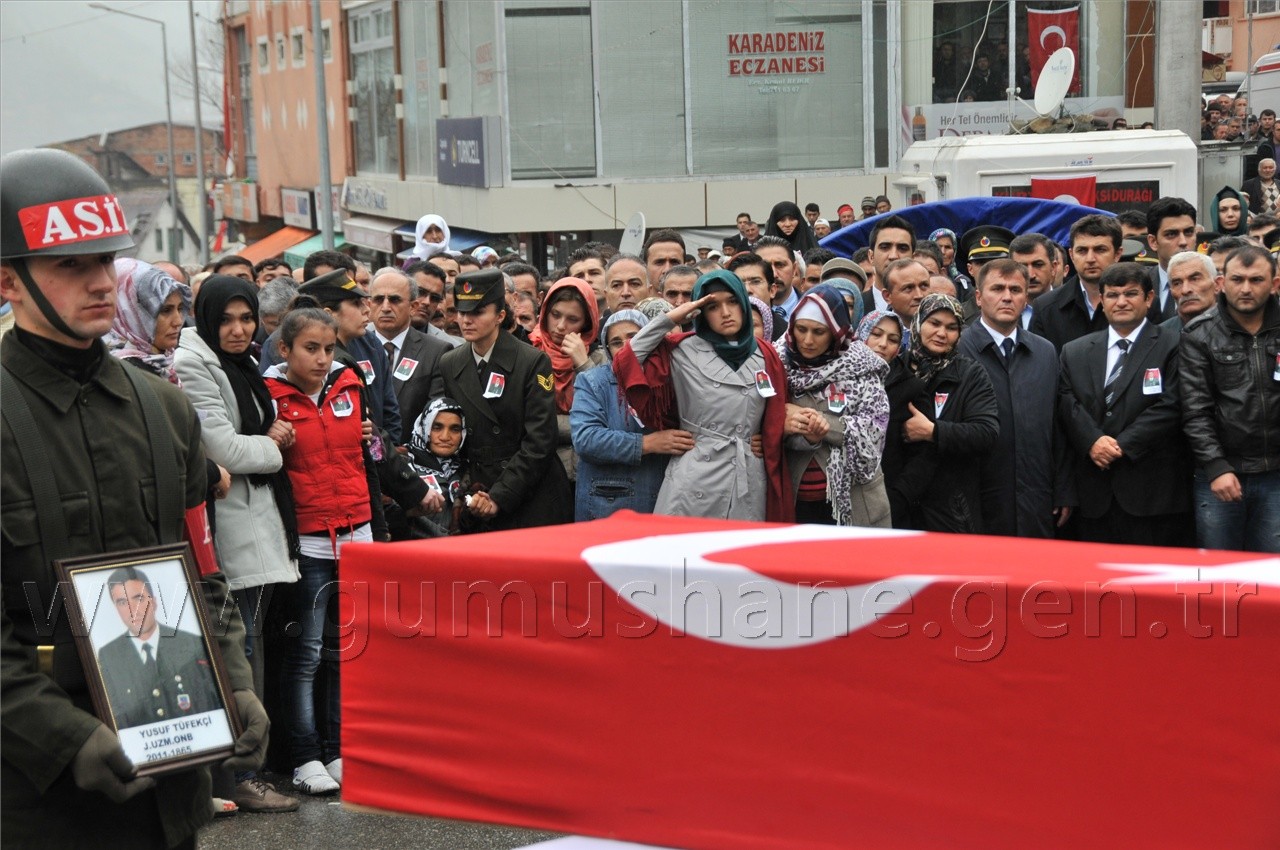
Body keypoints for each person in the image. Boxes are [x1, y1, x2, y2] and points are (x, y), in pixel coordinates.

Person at [1, 148, 264, 847]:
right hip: (36, 799)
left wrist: (232, 684)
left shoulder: (164, 410)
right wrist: (65, 740)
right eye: (69, 265)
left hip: (168, 795)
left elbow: (200, 575)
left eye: (105, 261)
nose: (99, 282)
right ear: (8, 281)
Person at [172, 274, 301, 811]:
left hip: (257, 521)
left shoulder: (242, 364)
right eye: (226, 319)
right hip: (223, 526)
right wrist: (273, 446)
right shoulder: (192, 363)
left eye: (246, 318)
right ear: (203, 317)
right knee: (237, 648)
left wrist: (263, 443)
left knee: (253, 643)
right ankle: (237, 774)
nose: (238, 328)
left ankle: (251, 766)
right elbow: (222, 447)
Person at [264, 303, 386, 795]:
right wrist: (268, 436)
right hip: (311, 541)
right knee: (307, 652)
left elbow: (370, 451)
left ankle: (336, 751)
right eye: (310, 349)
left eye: (328, 348)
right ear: (284, 349)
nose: (321, 359)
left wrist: (371, 437)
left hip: (358, 533)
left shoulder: (350, 383)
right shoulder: (269, 396)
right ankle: (304, 756)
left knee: (345, 652)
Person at [614, 269, 795, 522]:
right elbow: (627, 360)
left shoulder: (766, 354)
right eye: (712, 306)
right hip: (696, 472)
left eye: (733, 301)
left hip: (747, 474)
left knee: (740, 558)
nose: (725, 312)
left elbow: (775, 411)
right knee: (685, 558)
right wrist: (671, 317)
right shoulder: (681, 349)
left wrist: (767, 437)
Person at [1057, 263, 1191, 546]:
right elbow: (1067, 402)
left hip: (1154, 494)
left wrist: (1121, 446)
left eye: (1130, 293)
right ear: (1102, 300)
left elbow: (1172, 404)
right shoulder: (1075, 351)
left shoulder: (1174, 343)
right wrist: (1092, 440)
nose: (1121, 302)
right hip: (1094, 493)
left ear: (1149, 298)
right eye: (1113, 295)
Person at [440, 269, 573, 529]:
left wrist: (500, 495)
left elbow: (540, 441)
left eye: (477, 312)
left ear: (500, 315)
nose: (466, 320)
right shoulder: (450, 362)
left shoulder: (531, 361)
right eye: (462, 312)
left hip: (529, 492)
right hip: (478, 492)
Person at [957, 259, 1072, 538]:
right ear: (978, 297)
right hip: (976, 499)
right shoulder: (958, 349)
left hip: (1037, 498)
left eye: (1016, 290)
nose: (1007, 297)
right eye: (997, 288)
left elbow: (1059, 424)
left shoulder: (1045, 352)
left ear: (1026, 298)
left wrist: (1064, 490)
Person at [1180, 245, 1280, 552]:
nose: (1246, 288)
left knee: (1271, 577)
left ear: (1275, 284)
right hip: (1220, 475)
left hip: (1276, 473)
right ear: (1222, 283)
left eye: (1256, 280)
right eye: (1238, 280)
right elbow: (1195, 409)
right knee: (1219, 577)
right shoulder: (1200, 333)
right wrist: (1216, 466)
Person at [776, 284, 891, 526]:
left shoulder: (863, 367)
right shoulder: (776, 363)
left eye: (819, 332)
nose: (807, 340)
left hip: (856, 498)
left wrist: (824, 425)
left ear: (836, 332)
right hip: (793, 501)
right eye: (801, 329)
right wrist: (783, 424)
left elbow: (874, 430)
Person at [896, 294, 1000, 532]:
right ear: (918, 323)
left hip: (951, 510)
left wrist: (933, 432)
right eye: (934, 323)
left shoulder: (970, 374)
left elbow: (987, 432)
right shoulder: (896, 368)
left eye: (951, 327)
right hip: (900, 506)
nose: (942, 333)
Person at [570, 310, 687, 520]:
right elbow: (586, 439)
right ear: (607, 349)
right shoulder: (593, 382)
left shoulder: (672, 378)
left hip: (667, 501)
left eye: (634, 337)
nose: (626, 346)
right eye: (616, 342)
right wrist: (646, 443)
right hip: (609, 508)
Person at [97, 568, 221, 729]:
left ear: (153, 602)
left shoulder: (191, 644)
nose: (132, 609)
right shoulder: (109, 656)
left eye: (139, 598)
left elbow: (213, 706)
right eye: (122, 602)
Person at [529, 277, 606, 480]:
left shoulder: (599, 358)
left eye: (573, 320)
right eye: (555, 315)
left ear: (587, 324)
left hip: (586, 473)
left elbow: (605, 417)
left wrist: (583, 364)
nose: (561, 326)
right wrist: (582, 428)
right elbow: (526, 420)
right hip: (537, 470)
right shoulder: (527, 352)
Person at [370, 268, 449, 433]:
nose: (385, 307)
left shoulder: (436, 351)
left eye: (394, 300)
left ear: (413, 307)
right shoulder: (353, 347)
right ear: (369, 304)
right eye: (378, 299)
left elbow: (436, 415)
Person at [1030, 214, 1119, 351]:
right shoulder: (1045, 307)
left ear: (1117, 254)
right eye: (1082, 250)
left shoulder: (1140, 303)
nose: (1090, 259)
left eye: (1100, 250)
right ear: (1071, 255)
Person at [103, 258, 191, 384]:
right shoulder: (120, 374)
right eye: (165, 310)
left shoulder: (160, 361)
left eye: (180, 309)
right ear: (132, 315)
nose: (178, 321)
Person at [404, 397, 470, 535]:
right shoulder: (402, 462)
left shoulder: (469, 470)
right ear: (425, 427)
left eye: (455, 429)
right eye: (437, 427)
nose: (445, 437)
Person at [1161, 251, 1220, 330]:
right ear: (1171, 291)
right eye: (1177, 283)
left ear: (1217, 284)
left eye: (1195, 279)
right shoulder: (1160, 337)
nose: (1185, 290)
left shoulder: (1239, 327)